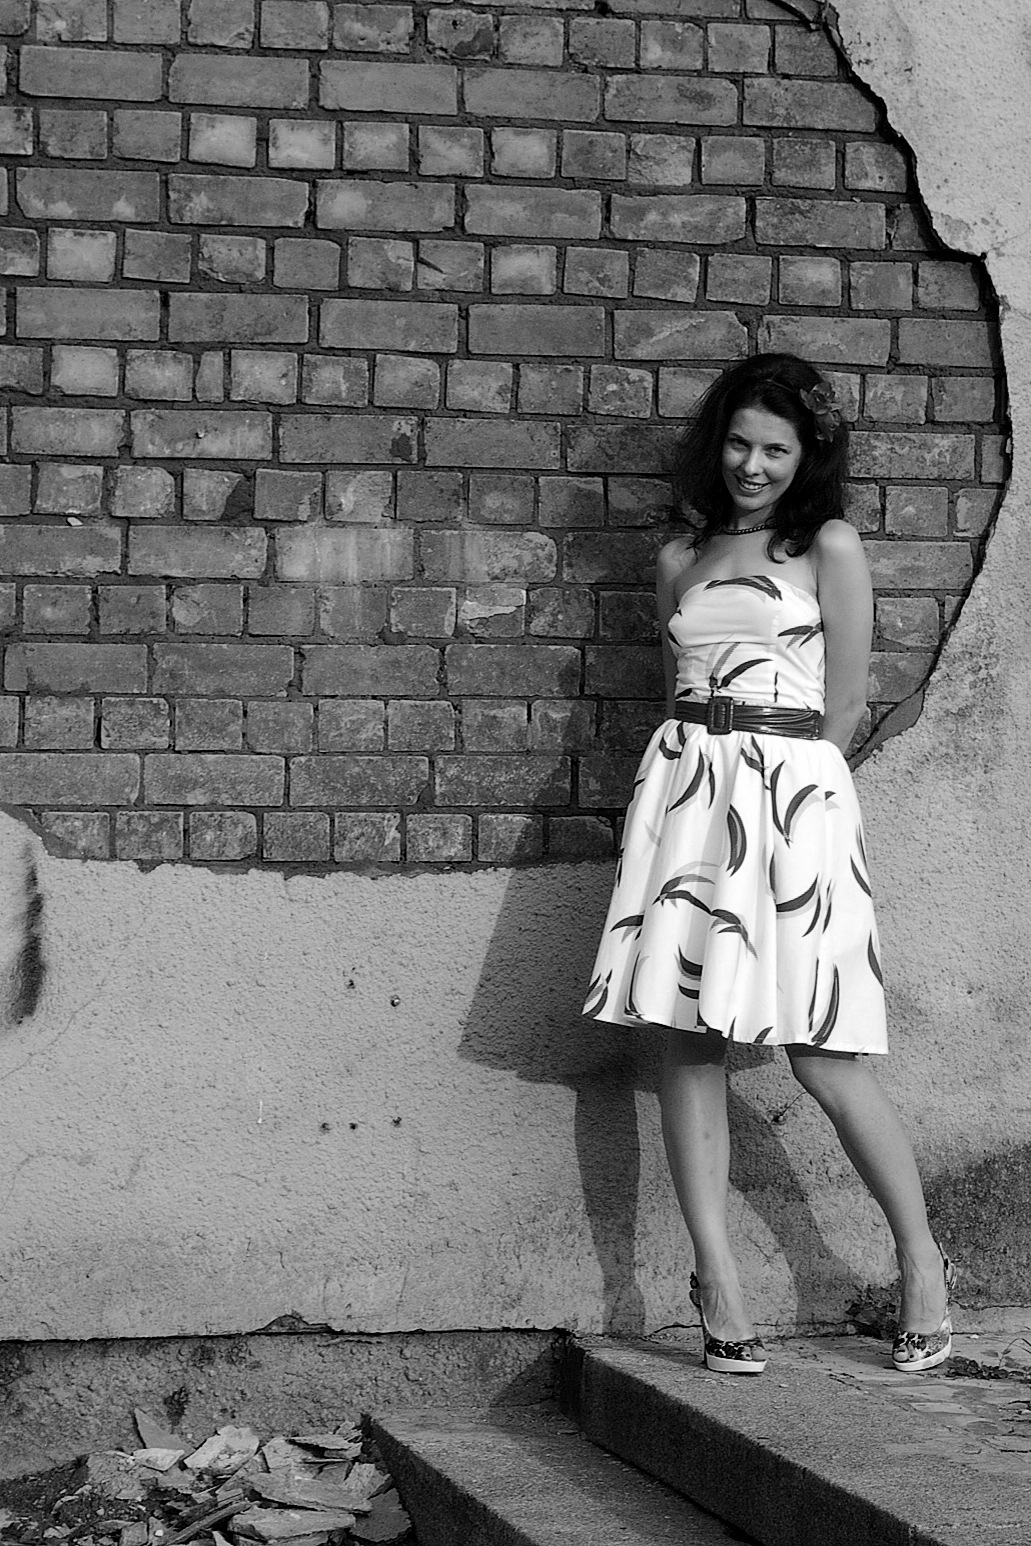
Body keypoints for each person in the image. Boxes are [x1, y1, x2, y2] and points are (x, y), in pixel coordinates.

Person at [583, 352, 954, 1375]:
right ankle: (718, 1280)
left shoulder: (826, 544)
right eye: (739, 443)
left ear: (805, 456)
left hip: (791, 798)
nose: (752, 464)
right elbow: (674, 691)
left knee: (822, 1049)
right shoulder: (678, 557)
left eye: (775, 449)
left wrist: (794, 809)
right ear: (718, 445)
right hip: (687, 796)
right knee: (686, 1041)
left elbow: (846, 702)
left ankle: (921, 1263)